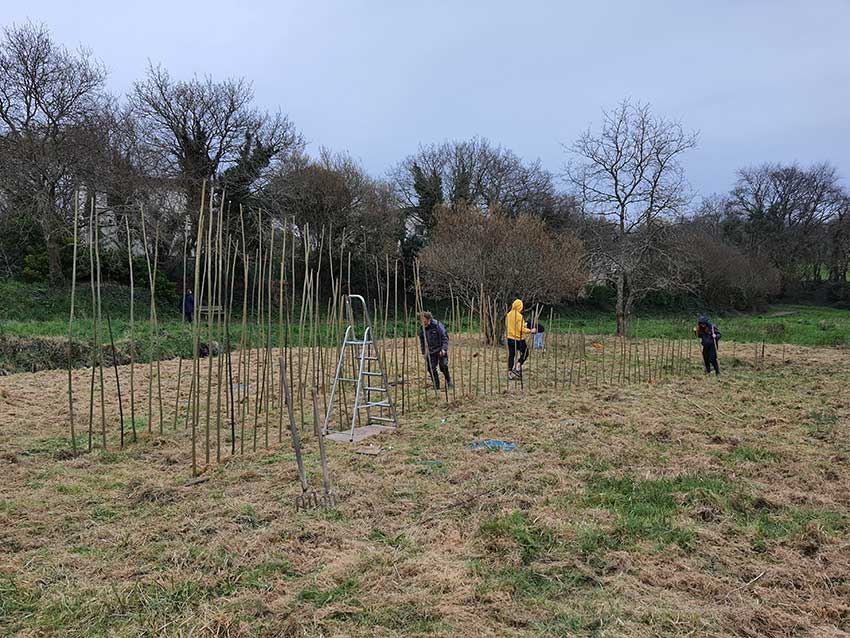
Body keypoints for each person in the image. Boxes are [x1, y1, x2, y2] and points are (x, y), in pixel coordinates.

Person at [418, 311, 453, 390]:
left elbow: (445, 337)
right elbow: (422, 341)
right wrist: (424, 352)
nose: (422, 321)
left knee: (443, 366)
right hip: (430, 351)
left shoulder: (437, 325)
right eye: (421, 320)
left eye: (423, 319)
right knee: (431, 368)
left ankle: (449, 381)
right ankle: (436, 386)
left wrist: (444, 349)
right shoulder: (422, 328)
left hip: (440, 349)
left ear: (428, 319)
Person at [506, 299, 536, 380]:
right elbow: (521, 329)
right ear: (520, 307)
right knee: (526, 353)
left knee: (511, 355)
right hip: (518, 339)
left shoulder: (508, 314)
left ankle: (509, 373)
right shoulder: (519, 316)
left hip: (509, 338)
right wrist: (530, 331)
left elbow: (511, 326)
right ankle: (518, 366)